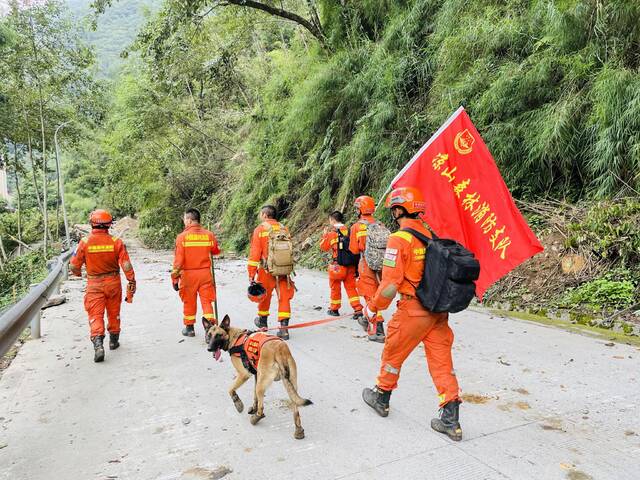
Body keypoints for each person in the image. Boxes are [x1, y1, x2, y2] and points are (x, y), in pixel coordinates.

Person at [361, 186, 463, 441]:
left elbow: (390, 285)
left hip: (413, 311)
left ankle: (381, 397)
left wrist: (372, 308)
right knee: (442, 363)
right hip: (437, 312)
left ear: (398, 210)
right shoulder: (430, 236)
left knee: (393, 354)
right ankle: (451, 419)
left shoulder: (399, 239)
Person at [70, 209, 136, 363]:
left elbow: (73, 267)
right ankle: (113, 341)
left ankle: (98, 344)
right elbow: (126, 264)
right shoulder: (116, 242)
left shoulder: (84, 242)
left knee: (95, 314)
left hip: (94, 284)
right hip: (113, 283)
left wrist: (80, 275)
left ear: (92, 223)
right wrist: (131, 280)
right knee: (114, 312)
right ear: (109, 224)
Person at [171, 208, 221, 337]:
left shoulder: (182, 237)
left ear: (189, 220)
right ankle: (210, 329)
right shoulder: (209, 234)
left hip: (188, 275)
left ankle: (189, 328)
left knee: (189, 301)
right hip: (205, 274)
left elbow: (178, 261)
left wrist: (175, 278)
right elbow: (216, 251)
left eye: (184, 219)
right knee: (206, 301)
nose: (184, 221)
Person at [248, 205, 295, 340]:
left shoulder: (260, 229)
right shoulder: (284, 228)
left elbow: (255, 254)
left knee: (264, 296)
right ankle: (284, 329)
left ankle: (263, 324)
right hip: (284, 270)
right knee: (284, 297)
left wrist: (251, 274)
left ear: (264, 215)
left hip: (266, 270)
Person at [348, 195, 386, 342]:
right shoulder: (380, 225)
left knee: (370, 296)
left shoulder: (357, 227)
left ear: (359, 209)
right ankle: (365, 318)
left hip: (366, 264)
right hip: (381, 265)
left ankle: (378, 330)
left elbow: (354, 250)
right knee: (377, 294)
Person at [319, 211, 362, 317]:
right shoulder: (350, 230)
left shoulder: (332, 233)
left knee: (335, 287)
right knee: (351, 288)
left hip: (337, 266)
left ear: (332, 220)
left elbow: (324, 247)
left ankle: (334, 309)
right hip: (350, 264)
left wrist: (324, 236)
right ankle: (358, 309)